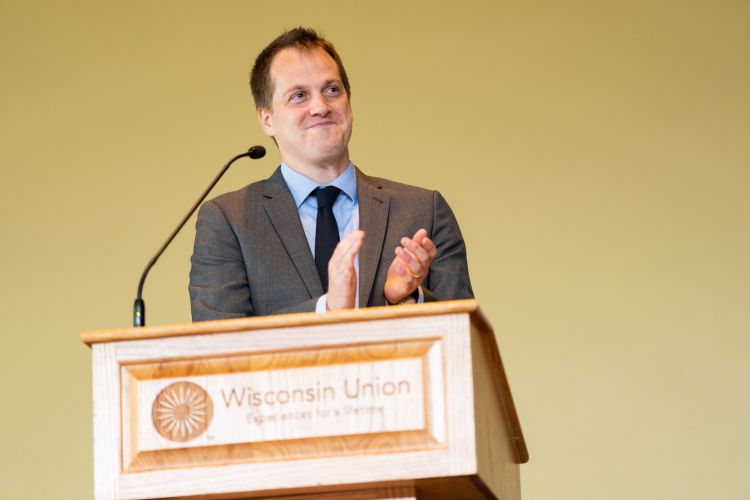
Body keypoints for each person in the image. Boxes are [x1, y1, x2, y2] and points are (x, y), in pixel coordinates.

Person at [189, 27, 473, 321]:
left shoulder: (425, 211)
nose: (320, 107)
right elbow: (221, 346)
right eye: (299, 95)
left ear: (349, 102)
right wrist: (328, 310)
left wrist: (404, 299)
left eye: (331, 90)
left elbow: (463, 338)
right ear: (267, 119)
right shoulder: (229, 220)